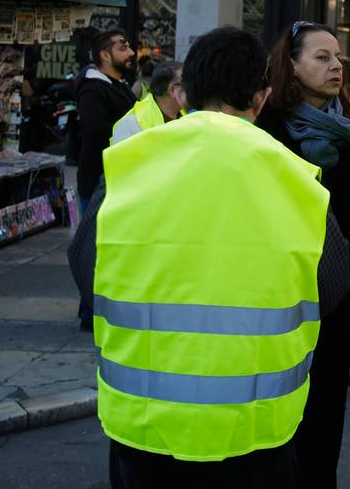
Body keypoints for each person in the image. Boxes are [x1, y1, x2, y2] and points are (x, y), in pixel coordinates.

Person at [96, 26, 330, 487]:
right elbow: (334, 284)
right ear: (261, 99)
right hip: (255, 428)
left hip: (144, 425)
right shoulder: (298, 177)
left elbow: (86, 263)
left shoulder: (128, 161)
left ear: (185, 93)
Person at [254, 21, 350, 489]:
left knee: (326, 418)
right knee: (280, 421)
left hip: (334, 298)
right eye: (321, 57)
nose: (336, 65)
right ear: (291, 65)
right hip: (279, 295)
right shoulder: (267, 130)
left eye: (338, 57)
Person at [75, 29, 137, 330]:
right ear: (104, 54)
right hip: (99, 178)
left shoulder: (118, 85)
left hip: (116, 175)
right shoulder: (93, 89)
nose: (131, 53)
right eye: (123, 47)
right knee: (93, 245)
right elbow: (97, 131)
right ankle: (89, 311)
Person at [109, 60, 185, 145]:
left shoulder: (190, 117)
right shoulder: (131, 125)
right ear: (172, 90)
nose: (195, 89)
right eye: (188, 84)